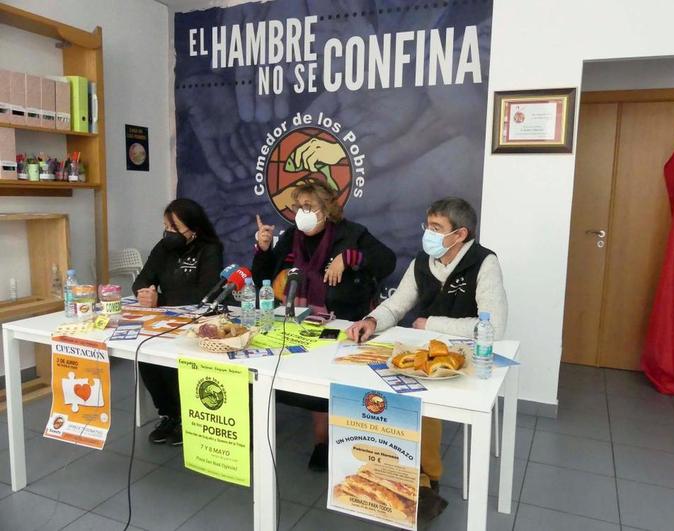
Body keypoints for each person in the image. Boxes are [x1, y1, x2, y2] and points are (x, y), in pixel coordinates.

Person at [346, 196, 508, 521]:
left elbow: (494, 327)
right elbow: (398, 304)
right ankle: (395, 473)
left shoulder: (484, 262)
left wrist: (431, 324)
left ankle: (427, 481)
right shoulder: (423, 260)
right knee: (384, 392)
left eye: (436, 228)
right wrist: (372, 321)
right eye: (428, 226)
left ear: (460, 234)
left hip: (464, 356)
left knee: (420, 404)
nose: (428, 234)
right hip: (425, 355)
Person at [252, 180, 396, 470]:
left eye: (308, 207)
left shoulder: (352, 233)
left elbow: (387, 262)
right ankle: (257, 430)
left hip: (342, 320)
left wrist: (350, 257)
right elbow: (262, 279)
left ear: (327, 209)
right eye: (298, 207)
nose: (301, 213)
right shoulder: (292, 235)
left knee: (325, 379)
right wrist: (264, 248)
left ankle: (324, 442)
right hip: (294, 321)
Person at [132, 198, 223, 445]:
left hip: (197, 322)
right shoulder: (162, 248)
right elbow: (140, 281)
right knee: (147, 358)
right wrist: (145, 293)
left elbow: (206, 293)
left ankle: (188, 417)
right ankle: (169, 414)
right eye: (166, 227)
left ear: (193, 230)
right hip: (163, 321)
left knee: (176, 362)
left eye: (175, 228)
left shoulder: (210, 249)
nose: (168, 233)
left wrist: (159, 299)